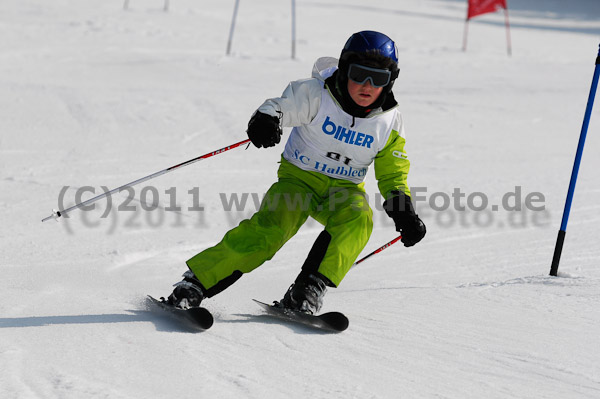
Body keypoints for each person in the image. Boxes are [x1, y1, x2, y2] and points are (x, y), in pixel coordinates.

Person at [165, 31, 426, 314]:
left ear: (390, 81)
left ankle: (307, 290)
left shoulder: (389, 121)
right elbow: (279, 107)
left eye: (378, 79)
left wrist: (403, 209)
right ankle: (194, 284)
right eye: (359, 74)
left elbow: (393, 172)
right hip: (299, 180)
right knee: (272, 229)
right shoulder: (317, 94)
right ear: (344, 69)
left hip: (345, 189)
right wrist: (266, 119)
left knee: (359, 218)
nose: (367, 85)